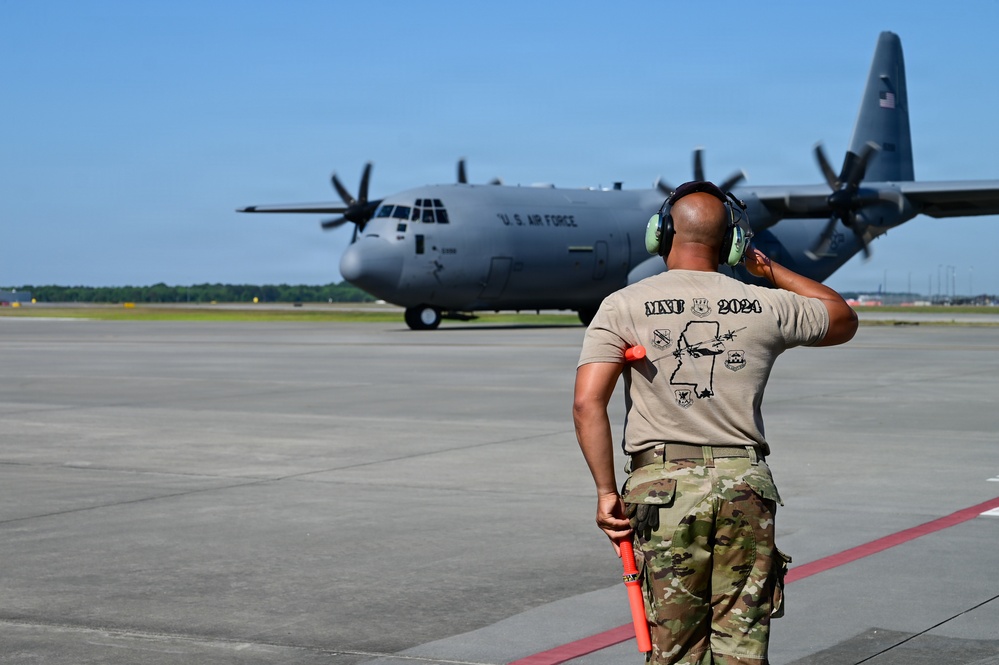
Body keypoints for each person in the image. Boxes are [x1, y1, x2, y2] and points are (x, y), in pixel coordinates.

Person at [572, 181, 858, 665]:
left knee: (676, 647)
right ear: (733, 243)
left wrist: (605, 492)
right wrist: (767, 270)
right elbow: (841, 317)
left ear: (660, 235)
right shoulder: (766, 304)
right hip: (745, 486)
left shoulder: (621, 305)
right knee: (742, 643)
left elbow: (586, 404)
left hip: (662, 491)